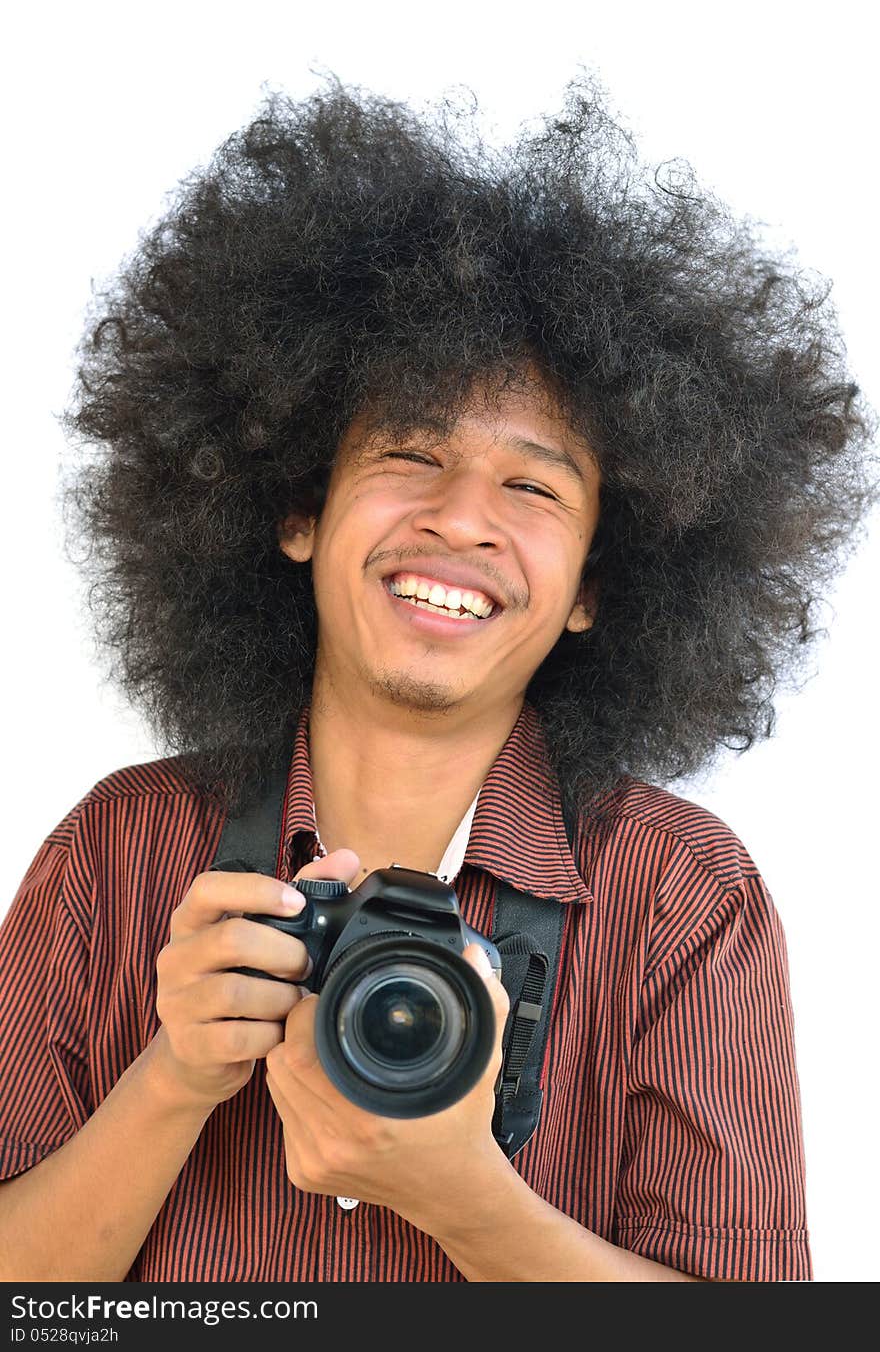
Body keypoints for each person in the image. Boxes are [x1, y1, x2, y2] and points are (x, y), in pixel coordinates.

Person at [0, 75, 875, 1283]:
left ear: (592, 587)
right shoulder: (116, 854)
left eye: (533, 486)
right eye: (410, 453)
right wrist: (175, 1077)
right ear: (299, 509)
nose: (461, 521)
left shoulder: (681, 897)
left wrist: (464, 1197)